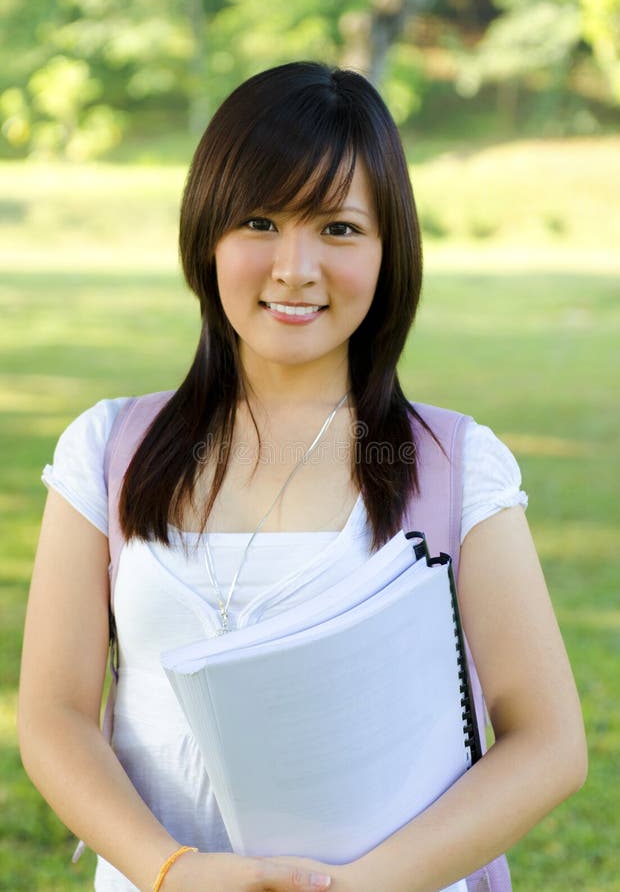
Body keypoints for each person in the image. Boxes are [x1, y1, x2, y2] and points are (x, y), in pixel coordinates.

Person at [19, 61, 587, 892]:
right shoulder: (107, 449)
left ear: (390, 249)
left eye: (338, 228)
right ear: (205, 234)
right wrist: (176, 872)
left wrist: (364, 885)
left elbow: (549, 743)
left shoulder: (456, 466)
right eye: (259, 221)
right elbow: (54, 716)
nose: (294, 267)